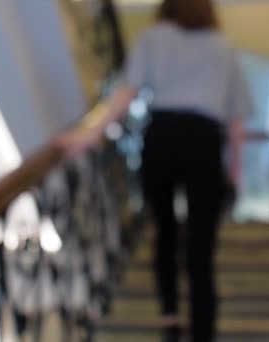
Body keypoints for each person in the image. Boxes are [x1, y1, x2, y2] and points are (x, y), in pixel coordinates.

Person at [57, 0, 251, 340]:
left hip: (161, 138)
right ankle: (203, 330)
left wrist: (91, 134)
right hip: (205, 142)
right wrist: (236, 172)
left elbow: (126, 93)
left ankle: (171, 318)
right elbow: (235, 124)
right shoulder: (223, 48)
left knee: (163, 232)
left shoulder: (152, 38)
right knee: (201, 246)